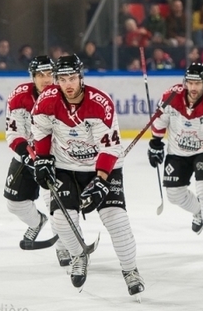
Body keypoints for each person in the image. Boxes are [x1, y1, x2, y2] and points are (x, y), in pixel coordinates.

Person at [30, 54, 144, 297]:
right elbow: (41, 131)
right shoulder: (46, 101)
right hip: (65, 166)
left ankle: (130, 270)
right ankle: (78, 254)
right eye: (62, 79)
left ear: (81, 76)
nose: (68, 84)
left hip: (101, 166)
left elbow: (110, 147)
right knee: (61, 220)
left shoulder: (100, 103)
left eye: (72, 78)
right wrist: (42, 159)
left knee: (116, 220)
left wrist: (101, 180)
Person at [147, 63, 203, 253]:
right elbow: (159, 121)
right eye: (190, 82)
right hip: (177, 152)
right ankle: (199, 211)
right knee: (174, 194)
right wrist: (155, 143)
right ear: (185, 82)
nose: (193, 87)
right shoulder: (170, 97)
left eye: (198, 83)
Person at [3, 55, 70, 267]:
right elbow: (13, 133)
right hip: (27, 155)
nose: (46, 79)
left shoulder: (66, 95)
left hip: (54, 158)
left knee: (56, 205)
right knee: (14, 204)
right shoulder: (19, 96)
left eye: (50, 74)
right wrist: (26, 153)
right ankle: (37, 221)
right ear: (33, 77)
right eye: (41, 75)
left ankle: (64, 247)